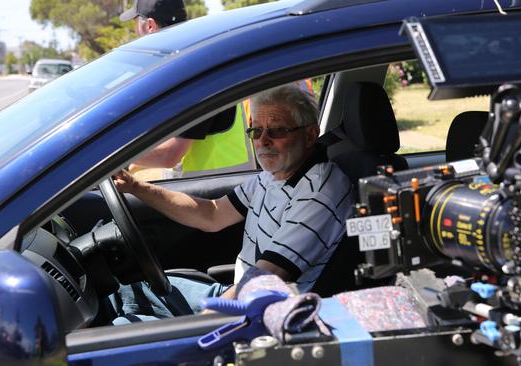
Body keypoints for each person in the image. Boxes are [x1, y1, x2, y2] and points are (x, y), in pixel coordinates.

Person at [110, 84, 353, 322]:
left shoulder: (319, 191)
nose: (263, 141)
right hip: (239, 293)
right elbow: (213, 215)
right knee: (122, 293)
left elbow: (267, 277)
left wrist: (201, 326)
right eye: (256, 131)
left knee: (120, 331)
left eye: (277, 131)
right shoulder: (271, 176)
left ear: (310, 135)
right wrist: (135, 187)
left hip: (262, 314)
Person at [120, 0, 256, 179]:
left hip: (217, 191)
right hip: (218, 185)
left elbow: (170, 155)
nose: (136, 32)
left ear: (150, 26)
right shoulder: (190, 62)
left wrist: (118, 160)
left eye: (136, 24)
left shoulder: (192, 72)